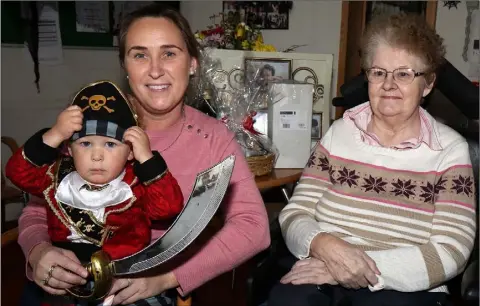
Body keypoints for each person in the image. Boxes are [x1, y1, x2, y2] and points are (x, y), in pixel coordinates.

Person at [16, 4, 270, 306]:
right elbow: (36, 209)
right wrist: (38, 252)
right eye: (139, 55)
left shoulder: (213, 139)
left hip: (148, 289)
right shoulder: (88, 125)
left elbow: (253, 227)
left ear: (192, 63)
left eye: (169, 53)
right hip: (67, 283)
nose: (155, 69)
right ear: (125, 65)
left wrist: (167, 279)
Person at [268, 12, 476, 306]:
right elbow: (294, 213)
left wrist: (352, 269)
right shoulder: (339, 133)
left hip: (404, 285)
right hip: (320, 268)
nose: (389, 84)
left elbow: (452, 250)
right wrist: (322, 244)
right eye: (378, 72)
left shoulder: (450, 151)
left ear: (428, 84)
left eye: (404, 74)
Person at [7, 80, 184, 305]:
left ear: (130, 152)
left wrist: (147, 160)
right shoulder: (55, 177)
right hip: (67, 281)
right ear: (69, 149)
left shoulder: (136, 184)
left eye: (110, 145)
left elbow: (168, 208)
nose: (96, 156)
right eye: (86, 144)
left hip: (123, 284)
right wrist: (54, 134)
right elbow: (16, 172)